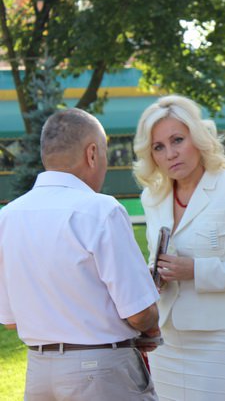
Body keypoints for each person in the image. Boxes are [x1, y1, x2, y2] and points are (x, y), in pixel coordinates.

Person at [0, 108, 160, 400]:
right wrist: (151, 326)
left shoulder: (8, 216)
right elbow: (139, 312)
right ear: (92, 153)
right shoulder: (101, 210)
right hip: (100, 370)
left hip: (39, 372)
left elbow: (11, 320)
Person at [133, 95, 225, 400]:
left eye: (177, 140)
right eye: (158, 147)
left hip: (220, 338)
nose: (170, 154)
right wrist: (154, 275)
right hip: (166, 339)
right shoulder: (152, 198)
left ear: (198, 137)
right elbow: (156, 256)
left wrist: (196, 270)